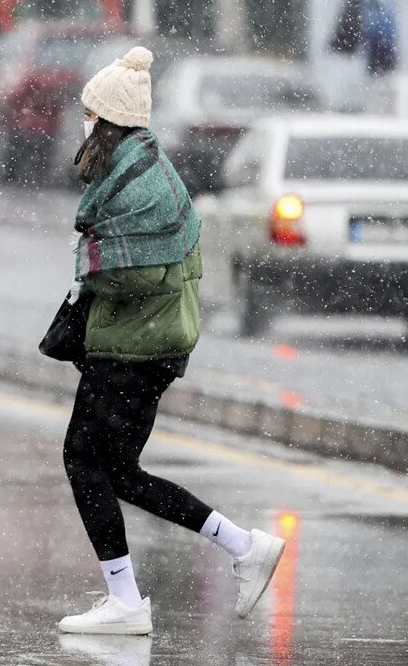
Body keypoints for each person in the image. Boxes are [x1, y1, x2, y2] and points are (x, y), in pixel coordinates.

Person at [56, 47, 286, 635]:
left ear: (106, 120)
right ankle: (241, 546)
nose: (83, 122)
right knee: (120, 472)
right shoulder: (139, 167)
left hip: (136, 348)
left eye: (88, 113)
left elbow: (141, 269)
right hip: (144, 343)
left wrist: (93, 270)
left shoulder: (140, 182)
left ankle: (128, 602)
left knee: (85, 461)